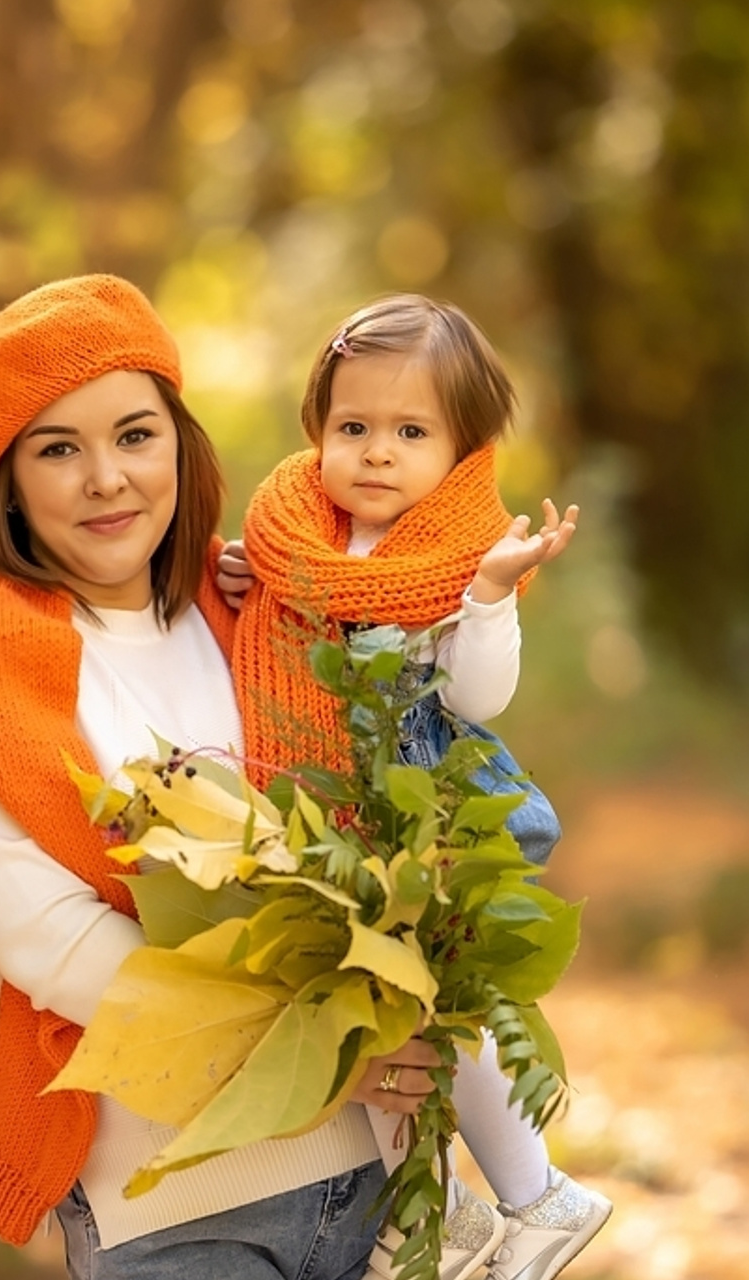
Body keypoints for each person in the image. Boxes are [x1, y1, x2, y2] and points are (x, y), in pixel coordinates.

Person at [0, 274, 446, 1280]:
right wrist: (329, 1055)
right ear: (4, 477)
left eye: (134, 435)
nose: (107, 479)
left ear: (178, 441)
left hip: (379, 1185)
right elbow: (58, 946)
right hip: (181, 1212)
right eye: (59, 449)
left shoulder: (250, 614)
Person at [221, 294, 613, 1280]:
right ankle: (440, 1211)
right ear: (317, 432)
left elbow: (477, 696)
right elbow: (280, 639)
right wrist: (243, 587)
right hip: (321, 802)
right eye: (352, 428)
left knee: (429, 1004)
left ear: (459, 448)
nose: (377, 453)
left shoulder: (455, 556)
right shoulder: (290, 537)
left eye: (408, 431)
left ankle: (540, 1192)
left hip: (418, 796)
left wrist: (485, 598)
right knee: (362, 1011)